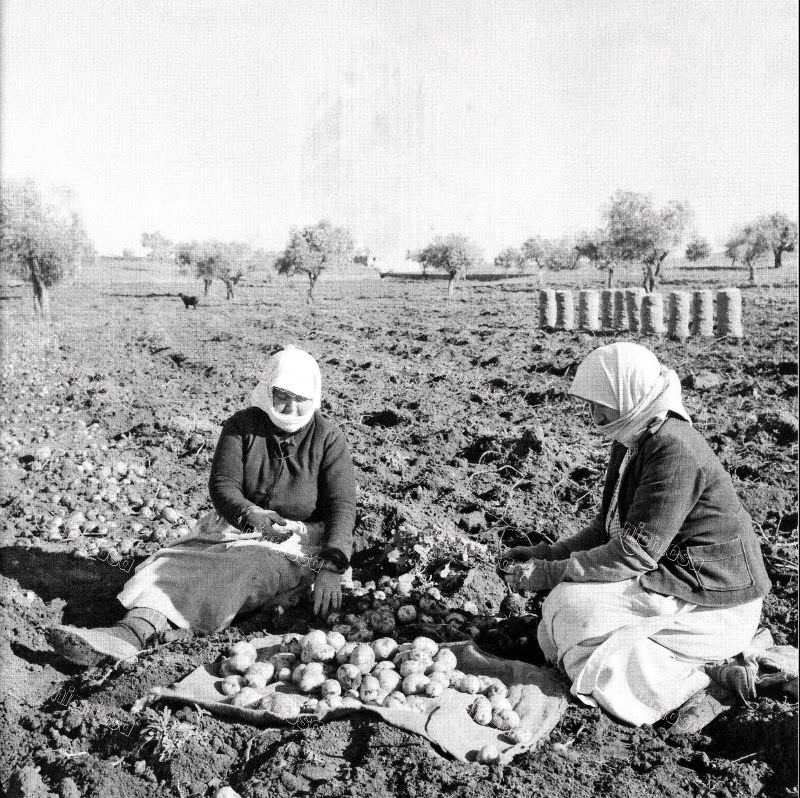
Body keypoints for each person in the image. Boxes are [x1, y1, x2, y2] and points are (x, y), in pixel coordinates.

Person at [505, 342, 771, 732]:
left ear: (630, 394)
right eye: (589, 403)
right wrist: (546, 554)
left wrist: (550, 572)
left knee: (571, 610)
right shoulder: (633, 437)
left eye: (601, 402)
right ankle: (691, 666)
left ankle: (700, 682)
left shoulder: (674, 449)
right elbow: (605, 529)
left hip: (714, 602)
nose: (592, 413)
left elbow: (634, 552)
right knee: (560, 618)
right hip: (672, 577)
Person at [48, 346, 356, 667]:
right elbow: (224, 487)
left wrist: (331, 569)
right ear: (267, 389)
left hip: (297, 541)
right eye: (282, 394)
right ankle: (127, 633)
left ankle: (141, 634)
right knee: (169, 563)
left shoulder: (328, 438)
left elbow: (342, 507)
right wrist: (252, 514)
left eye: (301, 398)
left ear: (315, 396)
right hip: (235, 526)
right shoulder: (243, 426)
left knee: (242, 569)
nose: (291, 406)